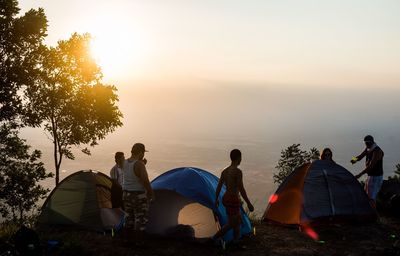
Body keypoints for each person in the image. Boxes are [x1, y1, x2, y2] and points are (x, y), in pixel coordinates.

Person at [213, 149, 254, 247]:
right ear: (239, 158)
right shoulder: (238, 172)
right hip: (233, 199)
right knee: (232, 223)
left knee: (238, 220)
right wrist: (248, 203)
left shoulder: (225, 171)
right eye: (241, 158)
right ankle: (215, 237)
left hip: (226, 198)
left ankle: (236, 241)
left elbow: (218, 187)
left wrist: (216, 199)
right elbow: (241, 189)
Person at [122, 143, 154, 236]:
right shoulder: (139, 164)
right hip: (138, 196)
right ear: (140, 152)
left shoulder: (124, 162)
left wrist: (143, 164)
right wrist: (151, 193)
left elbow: (132, 174)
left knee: (128, 217)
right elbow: (145, 180)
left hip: (126, 194)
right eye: (143, 152)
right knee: (140, 219)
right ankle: (138, 243)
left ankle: (126, 240)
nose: (144, 155)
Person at [351, 135, 384, 206]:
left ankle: (375, 216)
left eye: (367, 143)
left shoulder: (377, 151)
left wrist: (360, 174)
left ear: (372, 142)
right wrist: (353, 160)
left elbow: (371, 166)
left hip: (376, 177)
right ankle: (370, 214)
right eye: (365, 143)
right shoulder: (368, 148)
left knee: (371, 199)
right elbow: (360, 156)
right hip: (370, 176)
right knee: (367, 196)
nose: (366, 144)